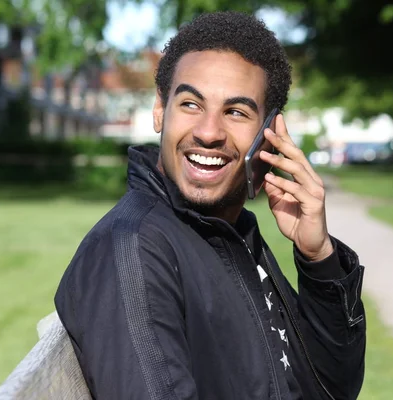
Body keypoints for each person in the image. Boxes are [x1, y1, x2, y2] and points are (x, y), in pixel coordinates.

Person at [54, 11, 366, 400]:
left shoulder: (232, 233)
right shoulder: (135, 249)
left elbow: (334, 388)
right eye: (190, 104)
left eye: (235, 112)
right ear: (159, 110)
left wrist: (319, 258)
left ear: (269, 134)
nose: (208, 132)